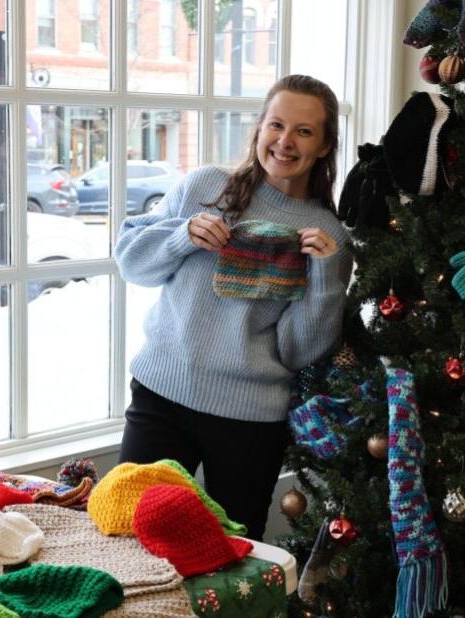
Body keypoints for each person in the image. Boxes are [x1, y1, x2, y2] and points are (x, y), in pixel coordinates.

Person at [114, 74, 352, 541]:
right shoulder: (206, 184)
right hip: (161, 393)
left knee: (235, 554)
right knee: (126, 535)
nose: (285, 142)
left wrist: (324, 279)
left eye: (304, 132)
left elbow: (298, 352)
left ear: (324, 147)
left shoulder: (329, 237)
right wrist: (182, 237)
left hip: (250, 420)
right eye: (276, 125)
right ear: (259, 128)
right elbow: (132, 263)